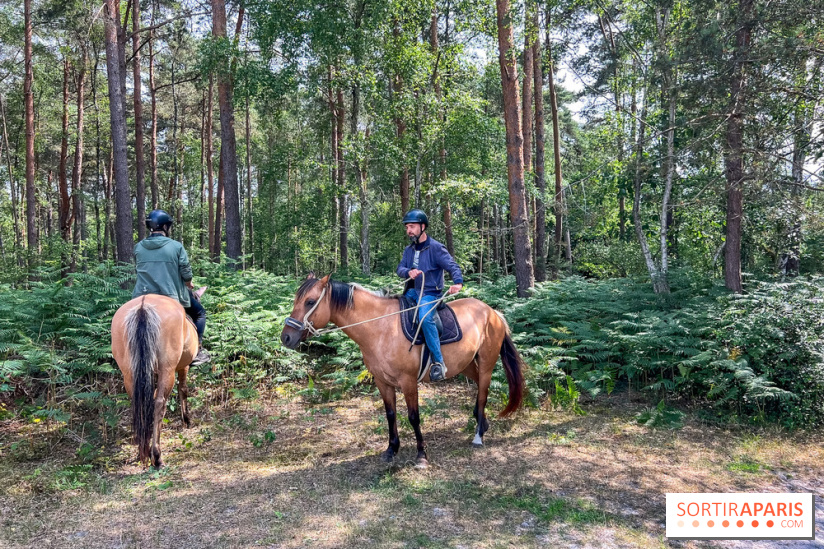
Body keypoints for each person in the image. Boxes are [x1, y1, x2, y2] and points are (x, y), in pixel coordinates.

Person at [133, 209, 210, 366]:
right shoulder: (176, 246)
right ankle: (198, 351)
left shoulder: (138, 247)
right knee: (200, 313)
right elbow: (186, 273)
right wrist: (189, 284)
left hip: (140, 296)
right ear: (165, 227)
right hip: (170, 294)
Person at [396, 209, 463, 381]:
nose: (409, 230)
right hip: (411, 292)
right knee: (392, 309)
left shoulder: (435, 248)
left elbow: (452, 266)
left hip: (430, 293)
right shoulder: (408, 250)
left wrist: (458, 282)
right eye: (407, 227)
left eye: (412, 226)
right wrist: (409, 272)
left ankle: (439, 364)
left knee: (425, 317)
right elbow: (400, 269)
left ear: (422, 227)